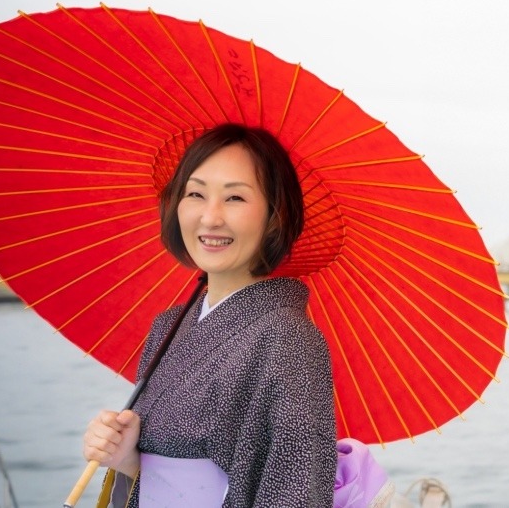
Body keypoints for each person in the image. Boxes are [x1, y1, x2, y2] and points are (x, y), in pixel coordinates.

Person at [83, 123, 337, 507]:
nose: (210, 218)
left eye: (235, 198)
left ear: (274, 215)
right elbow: (168, 485)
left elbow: (297, 490)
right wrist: (125, 458)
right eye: (196, 194)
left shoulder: (289, 338)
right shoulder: (167, 328)